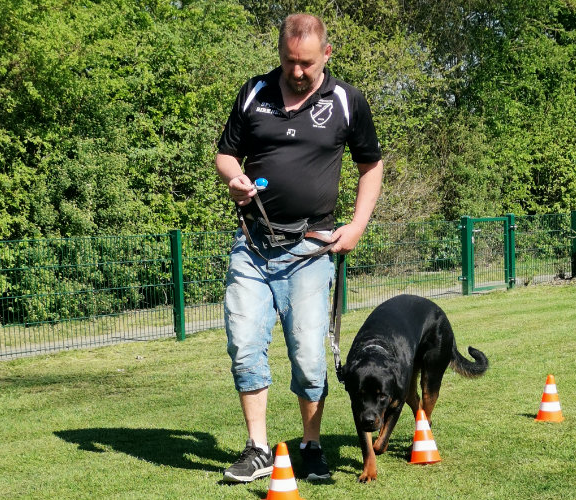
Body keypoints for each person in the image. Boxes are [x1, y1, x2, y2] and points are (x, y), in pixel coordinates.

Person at [215, 13, 383, 483]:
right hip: (252, 245)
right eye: (289, 61)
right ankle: (257, 448)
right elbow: (225, 151)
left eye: (307, 63)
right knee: (245, 346)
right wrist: (234, 178)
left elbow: (371, 165)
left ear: (326, 54)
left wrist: (358, 225)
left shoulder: (348, 101)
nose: (298, 71)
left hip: (311, 249)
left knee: (309, 356)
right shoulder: (255, 92)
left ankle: (311, 446)